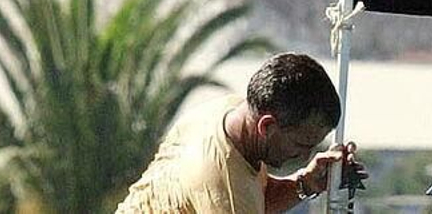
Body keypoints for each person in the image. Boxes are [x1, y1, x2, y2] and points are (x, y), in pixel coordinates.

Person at [116, 52, 367, 213]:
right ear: (266, 126)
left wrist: (306, 182)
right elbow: (235, 197)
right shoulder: (221, 180)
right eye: (301, 145)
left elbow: (254, 196)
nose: (307, 155)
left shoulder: (230, 110)